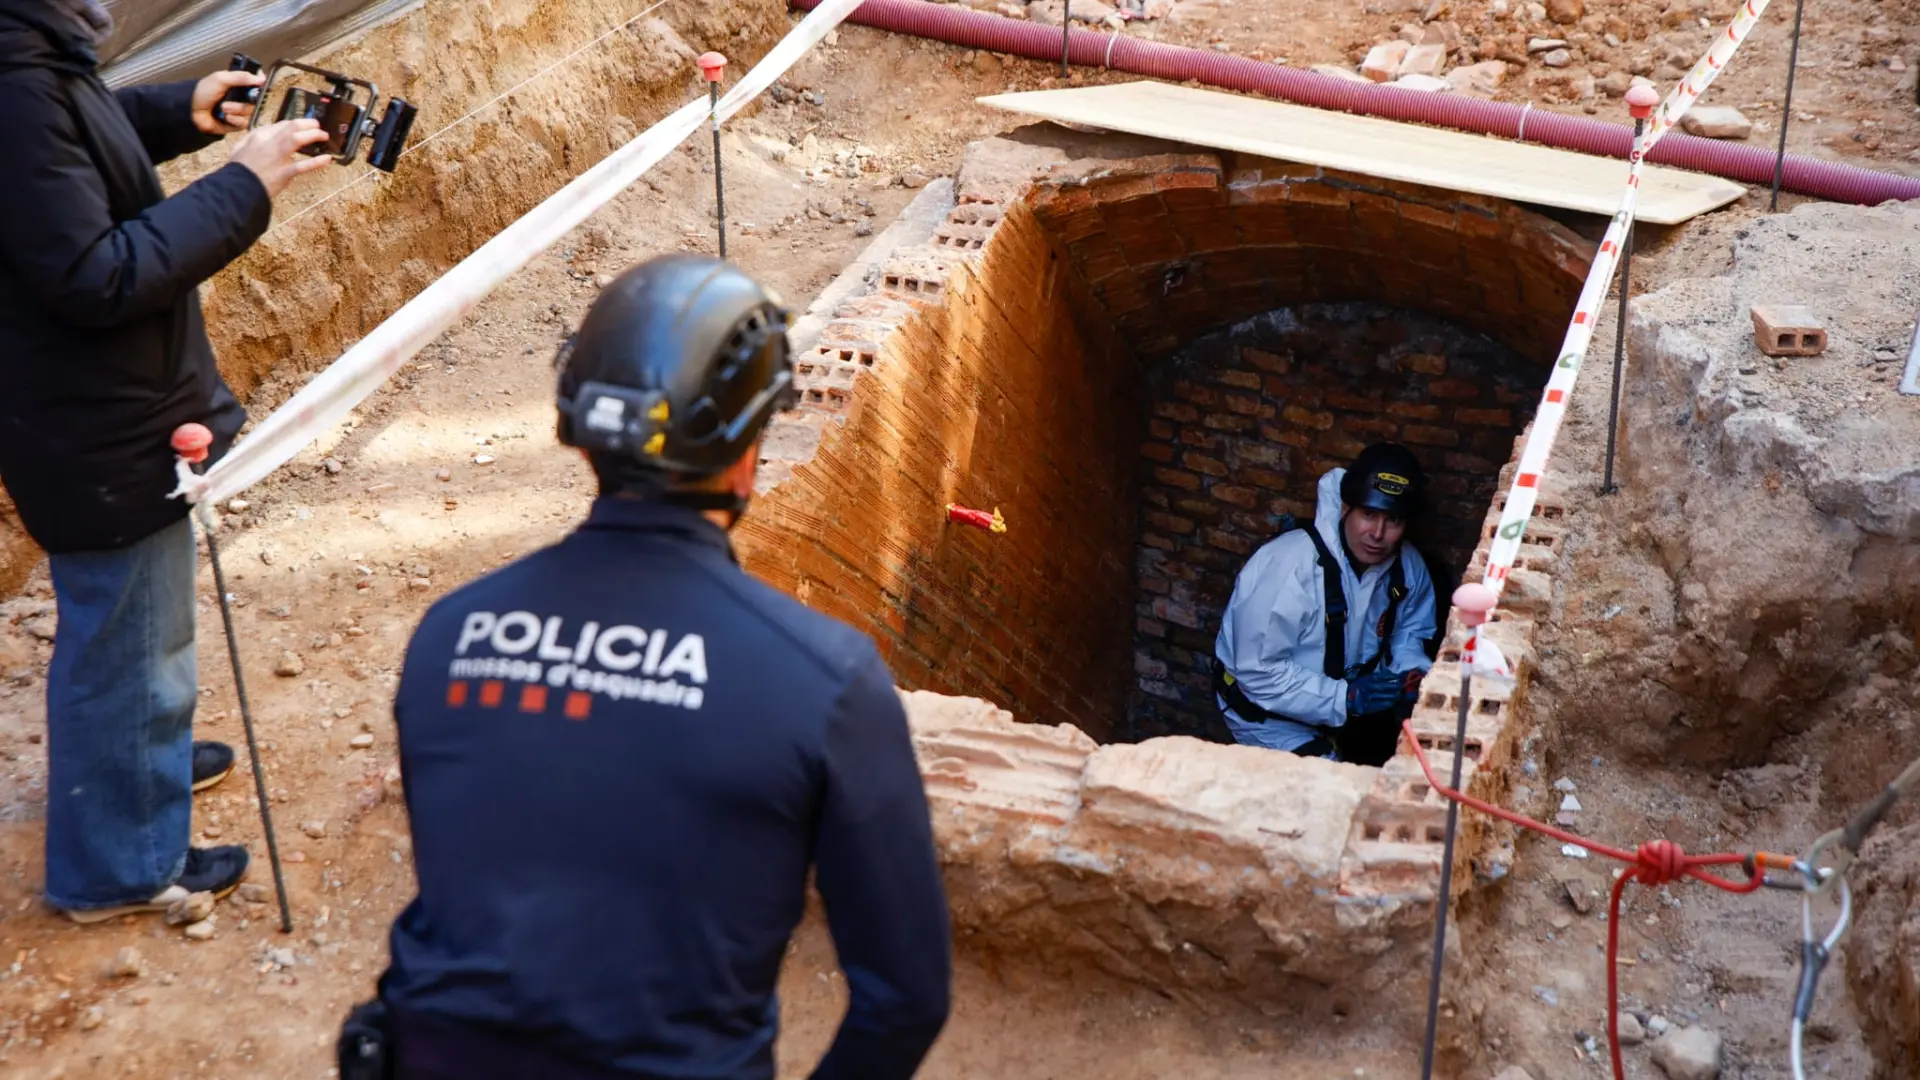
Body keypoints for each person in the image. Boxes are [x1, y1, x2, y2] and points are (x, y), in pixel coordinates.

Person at [345, 254, 953, 1080]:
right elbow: (905, 997)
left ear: (581, 429)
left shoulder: (452, 633)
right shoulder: (823, 679)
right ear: (748, 447)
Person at [0, 0, 338, 921]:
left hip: (101, 411)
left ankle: (137, 764)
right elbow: (94, 275)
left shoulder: (33, 57)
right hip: (100, 427)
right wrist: (243, 187)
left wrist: (179, 108)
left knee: (139, 629)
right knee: (127, 643)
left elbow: (68, 159)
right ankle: (120, 864)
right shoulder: (16, 83)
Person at [1211, 443, 1439, 766]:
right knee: (1328, 787)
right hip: (1267, 716)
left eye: (1393, 521)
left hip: (1342, 707)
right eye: (1369, 514)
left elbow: (1410, 632)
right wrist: (1343, 698)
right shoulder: (1291, 567)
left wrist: (1411, 673)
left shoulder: (1407, 568)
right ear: (1346, 508)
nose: (1377, 533)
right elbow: (1258, 672)